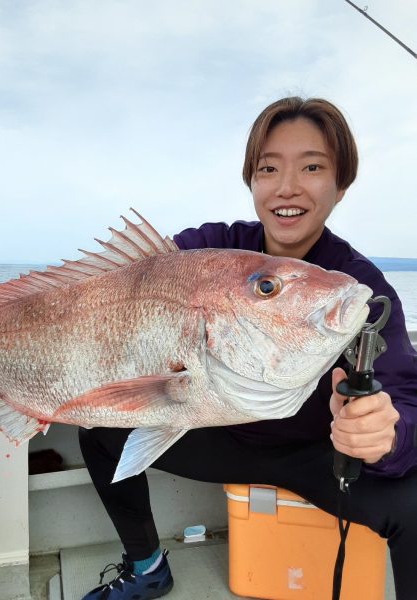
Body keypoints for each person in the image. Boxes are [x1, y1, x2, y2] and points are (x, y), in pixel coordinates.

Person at [79, 97, 417, 600]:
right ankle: (147, 568)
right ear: (252, 181)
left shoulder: (355, 291)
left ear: (341, 184)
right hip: (221, 434)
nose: (287, 186)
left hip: (312, 454)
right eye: (268, 168)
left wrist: (388, 435)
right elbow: (124, 289)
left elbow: (405, 398)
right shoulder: (208, 251)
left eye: (312, 166)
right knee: (97, 430)